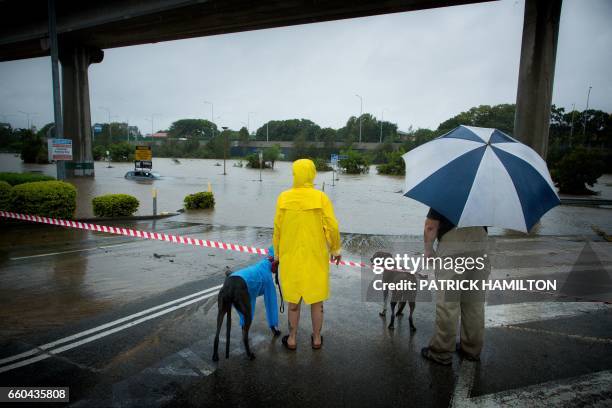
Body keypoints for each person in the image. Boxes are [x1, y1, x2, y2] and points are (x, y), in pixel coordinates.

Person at [273, 159, 341, 350]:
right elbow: (332, 226)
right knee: (316, 300)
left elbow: (277, 229)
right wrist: (335, 248)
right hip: (315, 256)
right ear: (312, 174)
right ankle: (317, 338)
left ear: (295, 174)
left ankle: (292, 338)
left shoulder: (283, 198)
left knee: (293, 300)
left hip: (290, 256)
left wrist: (277, 254)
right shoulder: (321, 198)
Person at [421, 208, 489, 365]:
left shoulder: (446, 188)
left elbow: (431, 225)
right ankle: (472, 350)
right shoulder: (485, 190)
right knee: (474, 303)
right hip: (480, 245)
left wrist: (428, 249)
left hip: (453, 247)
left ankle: (441, 353)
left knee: (448, 304)